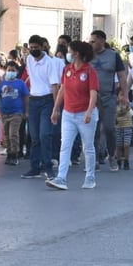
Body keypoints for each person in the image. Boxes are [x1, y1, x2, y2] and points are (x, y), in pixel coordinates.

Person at [46, 41, 100, 190]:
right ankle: (61, 178)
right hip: (68, 113)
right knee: (65, 145)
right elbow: (63, 89)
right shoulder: (67, 70)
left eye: (70, 51)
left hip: (85, 114)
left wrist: (89, 111)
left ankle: (90, 178)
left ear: (76, 53)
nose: (67, 54)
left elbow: (93, 93)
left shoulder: (89, 71)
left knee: (88, 147)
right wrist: (55, 109)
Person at [21, 35, 62, 180]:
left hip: (47, 100)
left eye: (36, 48)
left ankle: (48, 167)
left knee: (45, 135)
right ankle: (34, 168)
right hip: (33, 100)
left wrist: (55, 107)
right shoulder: (29, 59)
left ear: (42, 47)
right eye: (31, 48)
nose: (33, 50)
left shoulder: (49, 63)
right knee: (34, 136)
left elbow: (55, 85)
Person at [88, 30, 127, 170]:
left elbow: (122, 76)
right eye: (90, 41)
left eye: (93, 41)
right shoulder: (87, 55)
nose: (91, 43)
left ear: (102, 41)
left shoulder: (113, 56)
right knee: (94, 130)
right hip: (91, 97)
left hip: (108, 97)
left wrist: (125, 95)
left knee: (109, 128)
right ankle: (95, 159)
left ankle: (112, 155)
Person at [0, 60, 29, 166]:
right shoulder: (2, 83)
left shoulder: (20, 83)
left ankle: (15, 153)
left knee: (13, 134)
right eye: (9, 70)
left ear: (16, 72)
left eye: (13, 70)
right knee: (6, 135)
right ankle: (9, 153)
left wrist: (26, 111)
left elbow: (26, 97)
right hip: (4, 113)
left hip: (16, 112)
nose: (10, 72)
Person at [114, 96, 133, 170]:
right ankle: (118, 161)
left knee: (126, 145)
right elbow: (116, 115)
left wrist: (128, 108)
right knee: (119, 146)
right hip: (118, 127)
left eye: (124, 95)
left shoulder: (129, 106)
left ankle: (126, 161)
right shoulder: (116, 106)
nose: (123, 98)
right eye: (121, 95)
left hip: (127, 127)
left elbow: (132, 114)